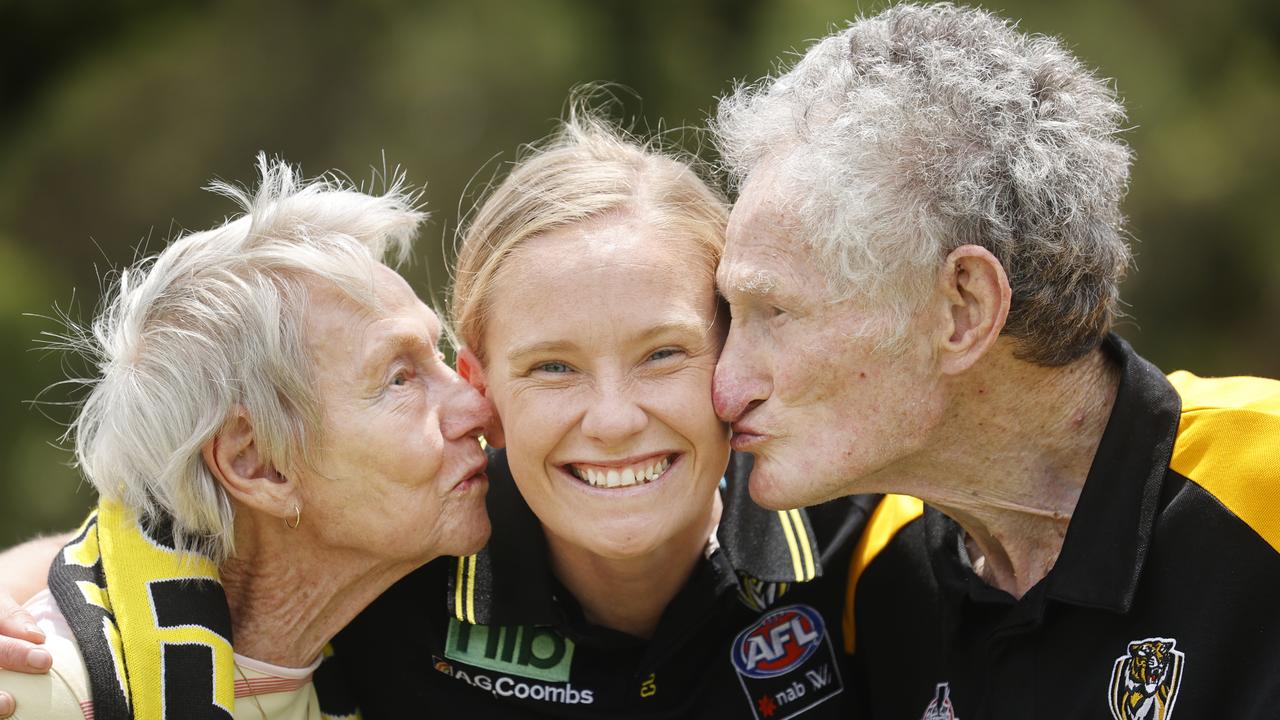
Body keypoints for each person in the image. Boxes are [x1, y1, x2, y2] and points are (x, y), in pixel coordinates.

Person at [711, 3, 1280, 718]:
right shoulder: (869, 572)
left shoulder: (1267, 481)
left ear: (965, 308)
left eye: (776, 313)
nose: (725, 386)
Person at [331, 113, 871, 718]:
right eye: (553, 368)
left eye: (663, 354)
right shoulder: (383, 584)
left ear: (734, 360)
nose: (613, 422)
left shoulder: (869, 545)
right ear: (483, 397)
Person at [0, 156, 493, 719]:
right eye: (400, 378)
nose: (476, 405)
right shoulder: (44, 692)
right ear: (258, 464)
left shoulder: (362, 645)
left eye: (437, 355)